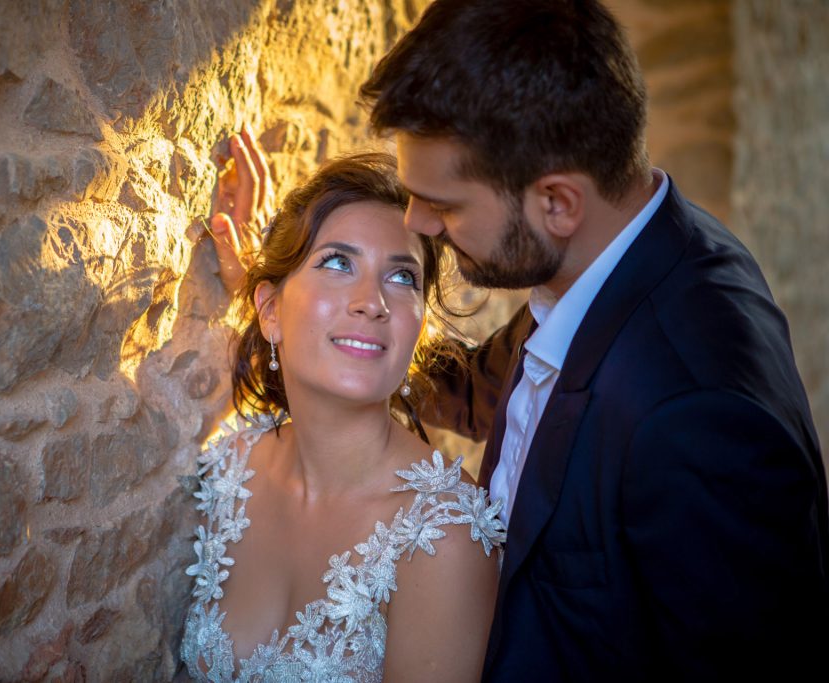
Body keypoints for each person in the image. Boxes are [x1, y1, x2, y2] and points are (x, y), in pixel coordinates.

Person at [353, 0, 829, 680]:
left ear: (557, 202)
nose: (417, 222)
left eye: (445, 203)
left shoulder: (696, 416)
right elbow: (475, 390)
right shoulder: (600, 264)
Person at [181, 149, 505, 681]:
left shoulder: (445, 539)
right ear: (269, 311)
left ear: (417, 327)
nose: (372, 300)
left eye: (402, 278)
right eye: (337, 262)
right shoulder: (230, 466)